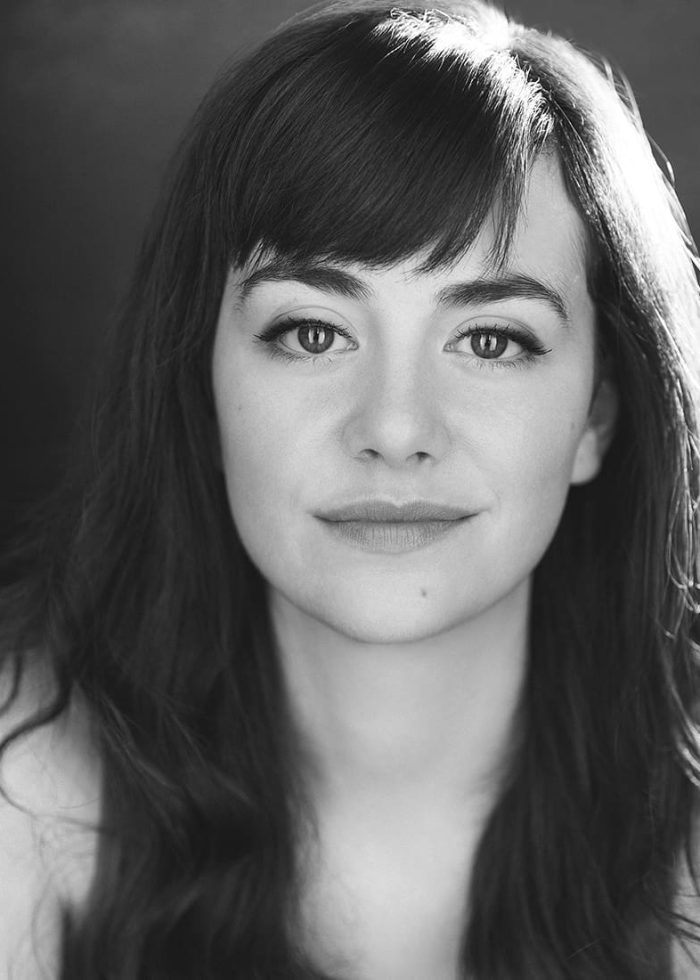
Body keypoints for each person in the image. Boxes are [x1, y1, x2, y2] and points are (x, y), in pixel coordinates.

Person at [1, 0, 700, 976]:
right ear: (199, 386)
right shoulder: (20, 803)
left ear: (597, 414)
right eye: (313, 331)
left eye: (490, 339)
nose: (395, 428)